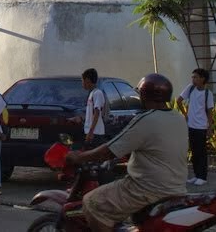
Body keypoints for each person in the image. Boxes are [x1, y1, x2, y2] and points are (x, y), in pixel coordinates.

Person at [66, 73, 188, 232]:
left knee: (91, 202)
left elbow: (109, 151)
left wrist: (79, 157)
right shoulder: (178, 118)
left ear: (144, 96)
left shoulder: (146, 120)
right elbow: (156, 146)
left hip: (146, 188)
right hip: (176, 186)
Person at [177, 67, 215, 186]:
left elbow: (210, 112)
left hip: (201, 127)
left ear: (202, 79)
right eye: (192, 77)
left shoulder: (208, 94)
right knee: (193, 151)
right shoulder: (190, 88)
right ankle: (197, 175)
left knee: (201, 152)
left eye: (196, 77)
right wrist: (185, 114)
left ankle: (202, 177)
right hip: (191, 125)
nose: (193, 79)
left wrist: (209, 128)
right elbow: (178, 100)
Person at [80, 67, 108, 144]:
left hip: (96, 133)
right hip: (90, 132)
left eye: (82, 81)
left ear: (88, 80)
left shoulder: (98, 93)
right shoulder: (92, 93)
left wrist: (91, 132)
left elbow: (96, 113)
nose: (82, 83)